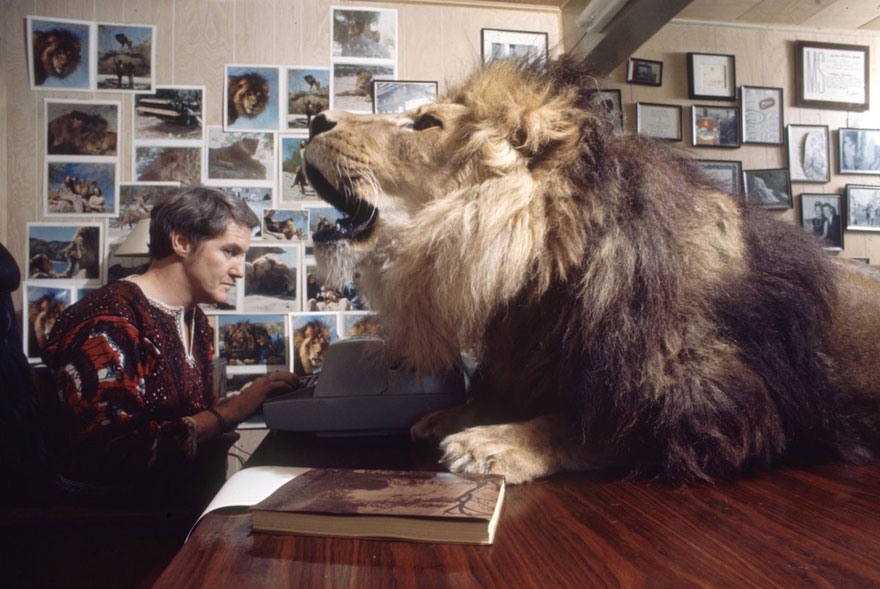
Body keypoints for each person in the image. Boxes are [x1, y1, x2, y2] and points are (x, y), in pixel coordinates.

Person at [42, 186, 299, 506]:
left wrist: (258, 397)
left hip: (181, 508)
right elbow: (116, 453)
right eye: (229, 251)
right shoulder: (108, 319)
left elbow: (191, 417)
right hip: (114, 528)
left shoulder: (198, 321)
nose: (238, 270)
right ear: (181, 242)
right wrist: (232, 410)